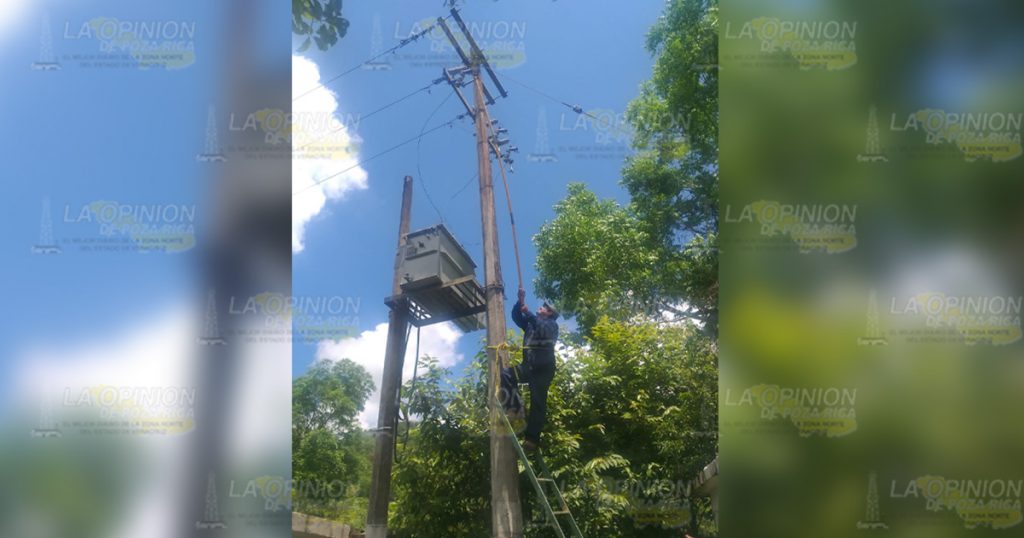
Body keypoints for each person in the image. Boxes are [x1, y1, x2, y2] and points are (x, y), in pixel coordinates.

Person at [501, 287, 559, 451]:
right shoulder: (530, 324)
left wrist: (529, 314)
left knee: (538, 401)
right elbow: (516, 317)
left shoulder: (552, 326)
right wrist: (520, 302)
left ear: (549, 314)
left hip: (543, 370)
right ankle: (516, 409)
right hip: (529, 366)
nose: (541, 306)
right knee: (507, 374)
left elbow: (544, 332)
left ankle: (532, 439)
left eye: (545, 307)